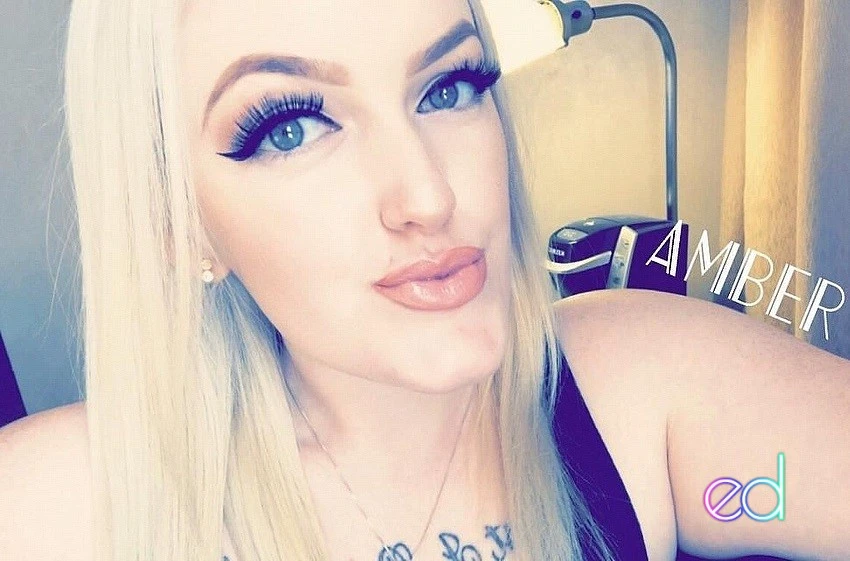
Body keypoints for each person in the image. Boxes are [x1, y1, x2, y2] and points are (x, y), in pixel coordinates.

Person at [1, 0, 848, 560]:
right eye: (292, 127)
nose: (429, 195)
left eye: (450, 87)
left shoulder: (644, 388)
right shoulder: (65, 510)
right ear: (175, 223)